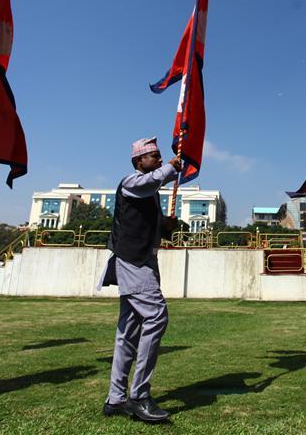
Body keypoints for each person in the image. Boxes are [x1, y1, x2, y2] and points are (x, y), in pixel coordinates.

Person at [99, 138, 181, 424]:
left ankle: (116, 397)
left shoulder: (150, 191)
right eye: (154, 156)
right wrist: (170, 168)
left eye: (161, 156)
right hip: (134, 262)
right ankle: (139, 395)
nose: (160, 159)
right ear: (138, 162)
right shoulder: (132, 182)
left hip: (140, 261)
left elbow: (151, 226)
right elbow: (154, 180)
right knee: (157, 317)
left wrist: (166, 226)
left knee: (128, 332)